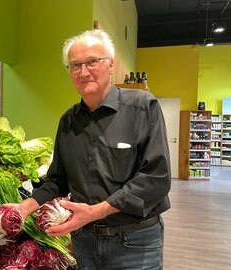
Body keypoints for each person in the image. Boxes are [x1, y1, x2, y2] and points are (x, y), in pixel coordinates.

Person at [13, 29, 171, 269]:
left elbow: (156, 178)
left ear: (111, 65)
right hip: (85, 241)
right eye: (75, 65)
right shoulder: (68, 121)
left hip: (135, 243)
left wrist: (96, 212)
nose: (83, 72)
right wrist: (24, 207)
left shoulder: (142, 107)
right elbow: (57, 180)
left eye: (92, 62)